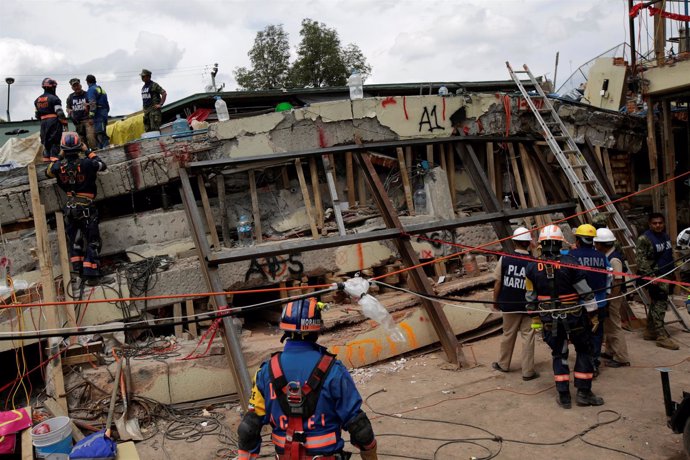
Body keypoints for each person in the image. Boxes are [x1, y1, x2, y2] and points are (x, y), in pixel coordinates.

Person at [237, 297, 378, 460]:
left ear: (285, 330)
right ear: (316, 330)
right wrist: (370, 453)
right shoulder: (334, 371)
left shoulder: (266, 372)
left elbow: (249, 428)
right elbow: (360, 428)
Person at [525, 224, 604, 409]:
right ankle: (584, 393)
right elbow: (586, 293)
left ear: (541, 244)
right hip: (575, 318)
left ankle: (564, 395)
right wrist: (594, 315)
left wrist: (535, 319)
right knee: (584, 350)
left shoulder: (531, 267)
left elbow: (530, 299)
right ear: (560, 243)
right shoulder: (571, 263)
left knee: (559, 354)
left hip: (549, 319)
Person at [46, 132, 107, 284]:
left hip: (70, 209)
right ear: (80, 146)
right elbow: (102, 165)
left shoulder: (58, 167)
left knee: (75, 242)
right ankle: (92, 276)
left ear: (63, 149)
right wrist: (88, 151)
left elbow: (48, 171)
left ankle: (79, 273)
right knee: (93, 242)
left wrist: (59, 156)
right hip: (86, 207)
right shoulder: (87, 163)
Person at [491, 227, 539, 381]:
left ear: (514, 241)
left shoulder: (505, 259)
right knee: (528, 337)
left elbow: (498, 282)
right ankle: (528, 371)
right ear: (528, 243)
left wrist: (496, 301)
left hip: (509, 304)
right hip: (529, 305)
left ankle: (503, 364)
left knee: (508, 334)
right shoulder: (534, 262)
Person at [569, 224, 611, 375]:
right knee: (597, 333)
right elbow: (609, 277)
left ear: (578, 240)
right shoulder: (602, 256)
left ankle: (584, 363)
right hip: (600, 303)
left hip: (579, 305)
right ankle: (594, 361)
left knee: (580, 334)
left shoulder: (571, 256)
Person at [635, 212, 680, 350]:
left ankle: (650, 331)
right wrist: (651, 276)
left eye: (660, 222)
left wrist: (673, 272)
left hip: (666, 274)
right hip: (655, 276)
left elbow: (668, 254)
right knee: (660, 304)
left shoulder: (665, 236)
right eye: (655, 223)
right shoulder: (645, 239)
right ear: (650, 224)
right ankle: (661, 336)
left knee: (656, 303)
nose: (658, 225)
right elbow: (640, 260)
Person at [594, 228, 630, 367]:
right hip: (609, 296)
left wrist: (610, 300)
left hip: (613, 297)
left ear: (601, 244)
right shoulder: (607, 256)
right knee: (607, 325)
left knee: (614, 326)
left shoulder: (614, 259)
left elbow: (617, 282)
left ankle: (621, 357)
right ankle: (610, 350)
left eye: (596, 244)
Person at [34, 78, 67, 162]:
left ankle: (46, 159)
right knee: (55, 141)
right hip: (53, 122)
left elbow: (37, 115)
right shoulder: (54, 99)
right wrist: (64, 122)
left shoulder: (37, 100)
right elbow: (59, 113)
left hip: (43, 123)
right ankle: (54, 161)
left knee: (45, 141)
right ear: (52, 87)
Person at [85, 75, 110, 149]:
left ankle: (104, 150)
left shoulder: (91, 90)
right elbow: (107, 104)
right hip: (104, 112)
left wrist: (91, 116)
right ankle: (104, 148)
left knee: (100, 133)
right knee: (102, 132)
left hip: (98, 114)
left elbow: (92, 103)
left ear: (87, 82)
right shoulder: (101, 89)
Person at [66, 78, 92, 145]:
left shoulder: (87, 94)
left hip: (88, 120)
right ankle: (85, 153)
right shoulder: (70, 97)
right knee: (81, 140)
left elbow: (94, 104)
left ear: (80, 85)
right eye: (74, 86)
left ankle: (95, 152)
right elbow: (68, 108)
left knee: (90, 137)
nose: (76, 87)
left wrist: (88, 105)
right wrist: (69, 110)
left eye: (77, 85)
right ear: (72, 88)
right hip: (77, 122)